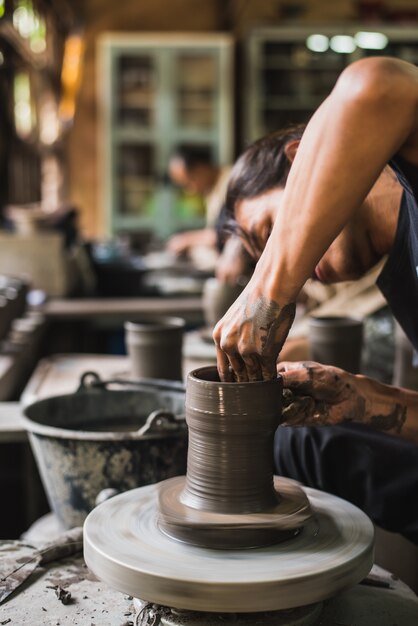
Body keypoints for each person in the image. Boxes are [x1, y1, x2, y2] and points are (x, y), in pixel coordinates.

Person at [213, 56, 418, 542]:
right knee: (300, 444)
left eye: (269, 231)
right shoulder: (401, 277)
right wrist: (369, 400)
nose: (297, 269)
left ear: (304, 160)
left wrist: (265, 293)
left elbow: (377, 87)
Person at [167, 146, 253, 287]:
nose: (191, 190)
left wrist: (188, 239)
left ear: (201, 168)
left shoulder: (234, 181)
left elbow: (227, 233)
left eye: (189, 181)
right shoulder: (211, 191)